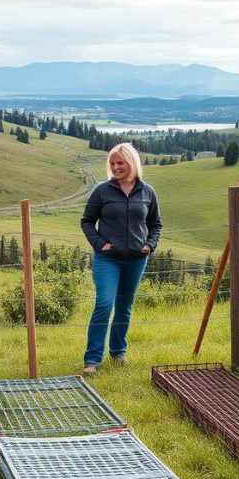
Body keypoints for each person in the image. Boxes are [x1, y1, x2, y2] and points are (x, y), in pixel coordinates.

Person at [80, 143, 162, 375]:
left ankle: (118, 353)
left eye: (120, 163)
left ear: (131, 163)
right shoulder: (102, 191)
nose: (115, 167)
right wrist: (100, 244)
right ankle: (92, 360)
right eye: (112, 163)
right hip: (108, 259)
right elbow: (87, 221)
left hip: (136, 259)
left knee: (124, 308)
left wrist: (150, 245)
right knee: (104, 303)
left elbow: (155, 224)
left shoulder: (147, 192)